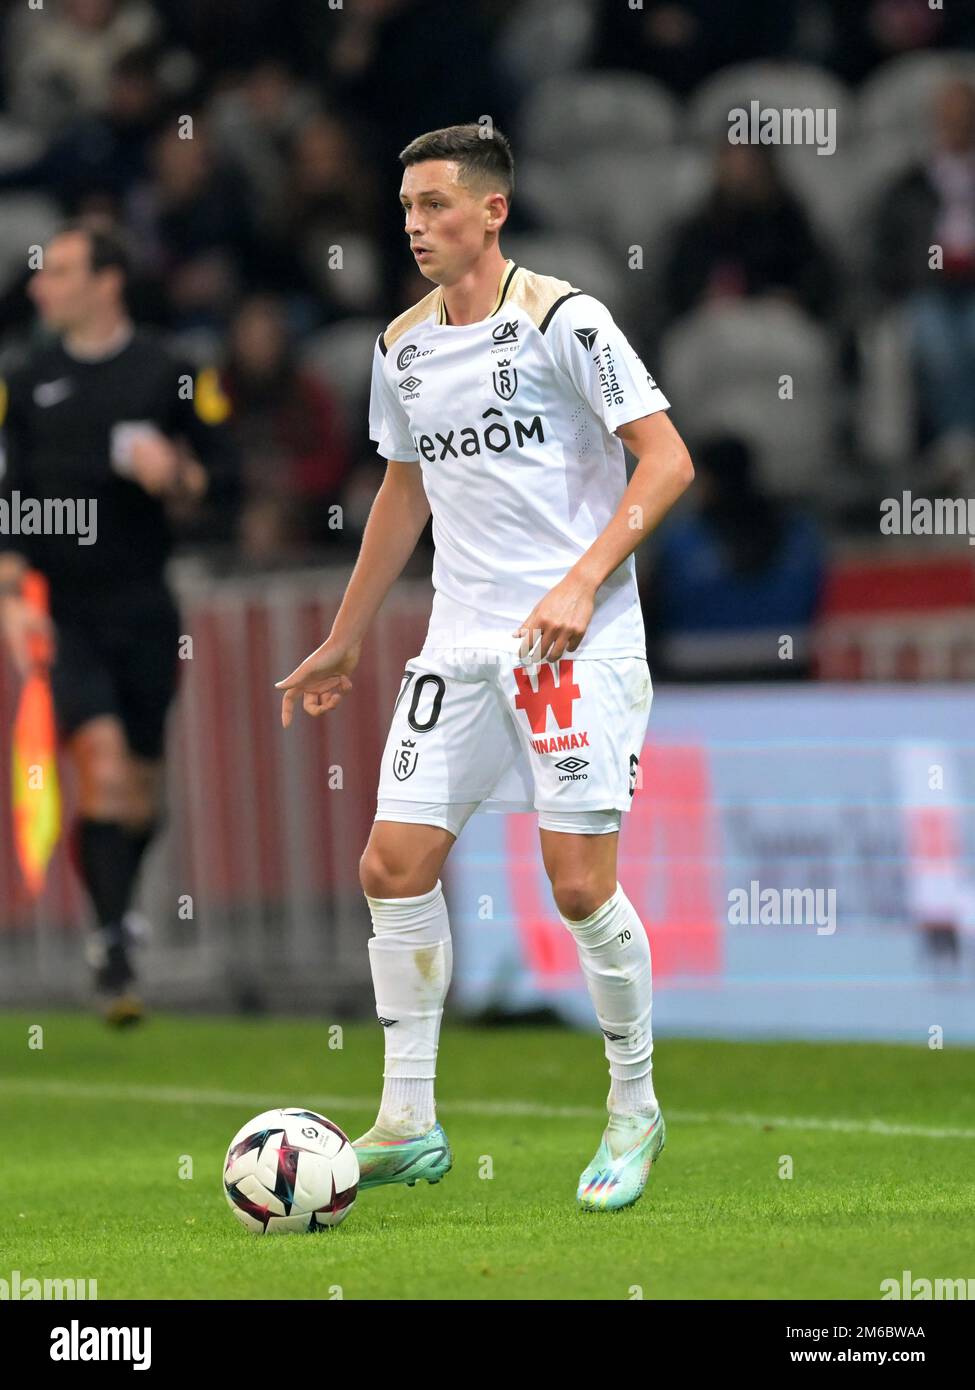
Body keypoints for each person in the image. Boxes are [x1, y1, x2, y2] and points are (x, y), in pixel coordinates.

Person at [276, 124, 694, 1212]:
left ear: (493, 211)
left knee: (578, 885)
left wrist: (582, 579)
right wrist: (348, 630)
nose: (415, 226)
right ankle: (408, 1118)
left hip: (573, 639)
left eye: (437, 206)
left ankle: (634, 1106)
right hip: (459, 645)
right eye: (407, 208)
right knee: (392, 862)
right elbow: (403, 490)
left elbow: (668, 457)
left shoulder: (565, 319)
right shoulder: (403, 343)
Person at [0, 222, 238, 1024]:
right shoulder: (25, 381)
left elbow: (226, 477)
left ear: (107, 281)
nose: (39, 286)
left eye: (58, 271)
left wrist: (177, 474)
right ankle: (111, 943)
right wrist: (8, 594)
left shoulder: (171, 372)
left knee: (137, 792)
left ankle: (118, 914)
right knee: (98, 766)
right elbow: (8, 499)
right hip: (64, 608)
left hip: (144, 603)